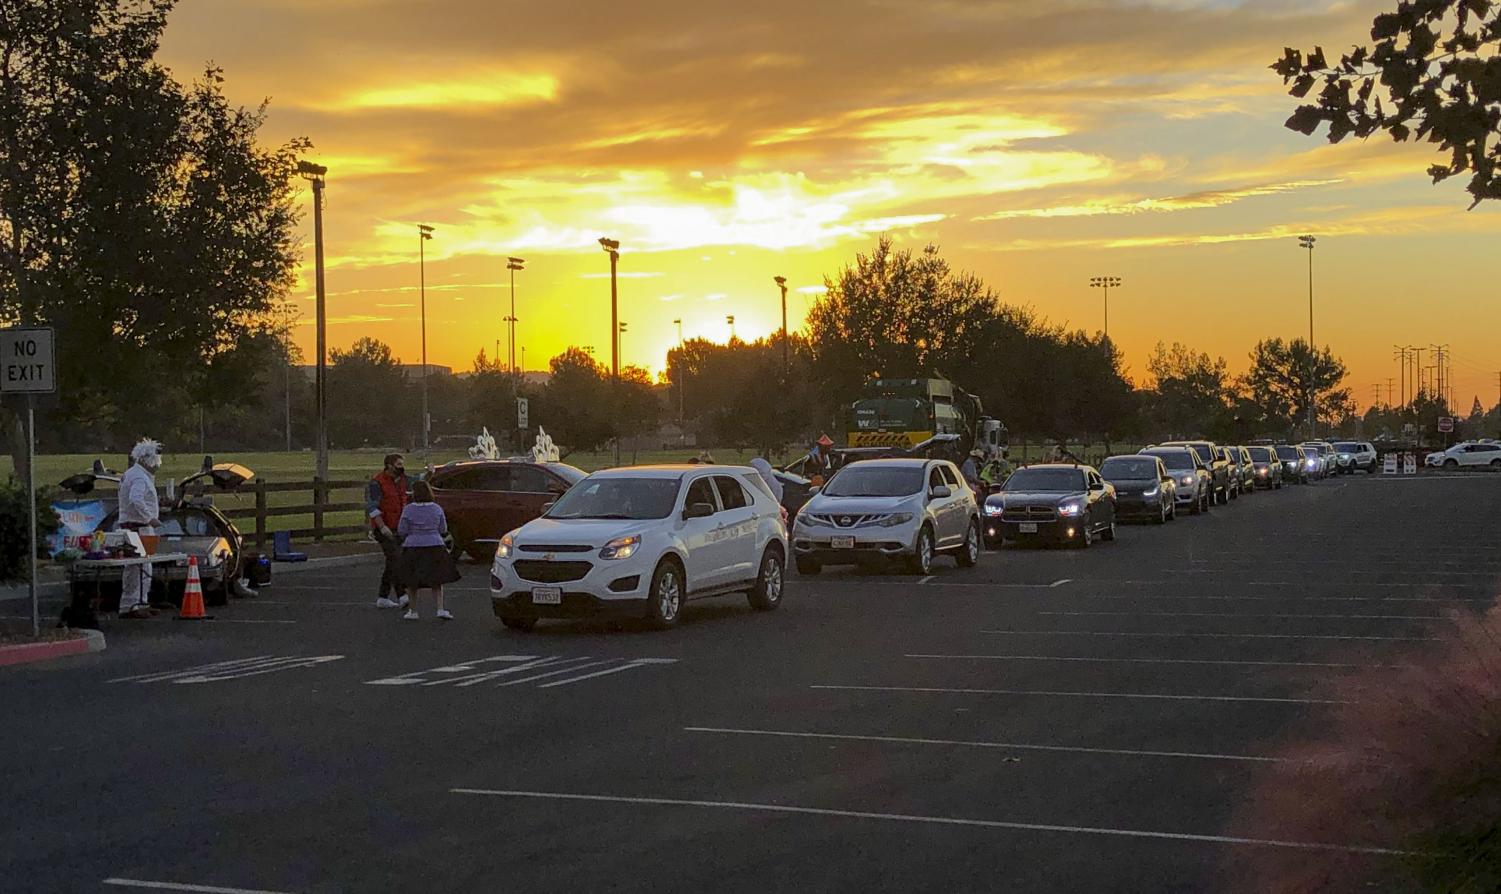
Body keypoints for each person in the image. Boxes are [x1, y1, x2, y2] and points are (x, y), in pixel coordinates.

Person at [397, 481, 461, 620]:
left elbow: (402, 529)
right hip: (434, 545)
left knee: (412, 581)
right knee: (437, 580)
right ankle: (440, 608)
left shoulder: (408, 509)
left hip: (413, 546)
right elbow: (443, 529)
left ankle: (413, 611)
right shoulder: (436, 508)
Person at [116, 439, 163, 619]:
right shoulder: (139, 478)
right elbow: (136, 499)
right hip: (139, 528)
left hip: (134, 527)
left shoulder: (132, 474)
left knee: (135, 567)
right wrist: (150, 518)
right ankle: (134, 604)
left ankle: (138, 602)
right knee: (141, 567)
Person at [365, 453, 410, 610]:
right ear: (389, 466)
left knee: (392, 561)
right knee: (395, 557)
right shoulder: (377, 483)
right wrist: (382, 527)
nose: (401, 467)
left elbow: (418, 480)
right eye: (398, 464)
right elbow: (372, 506)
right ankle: (402, 594)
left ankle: (383, 596)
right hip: (383, 527)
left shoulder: (402, 481)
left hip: (398, 526)